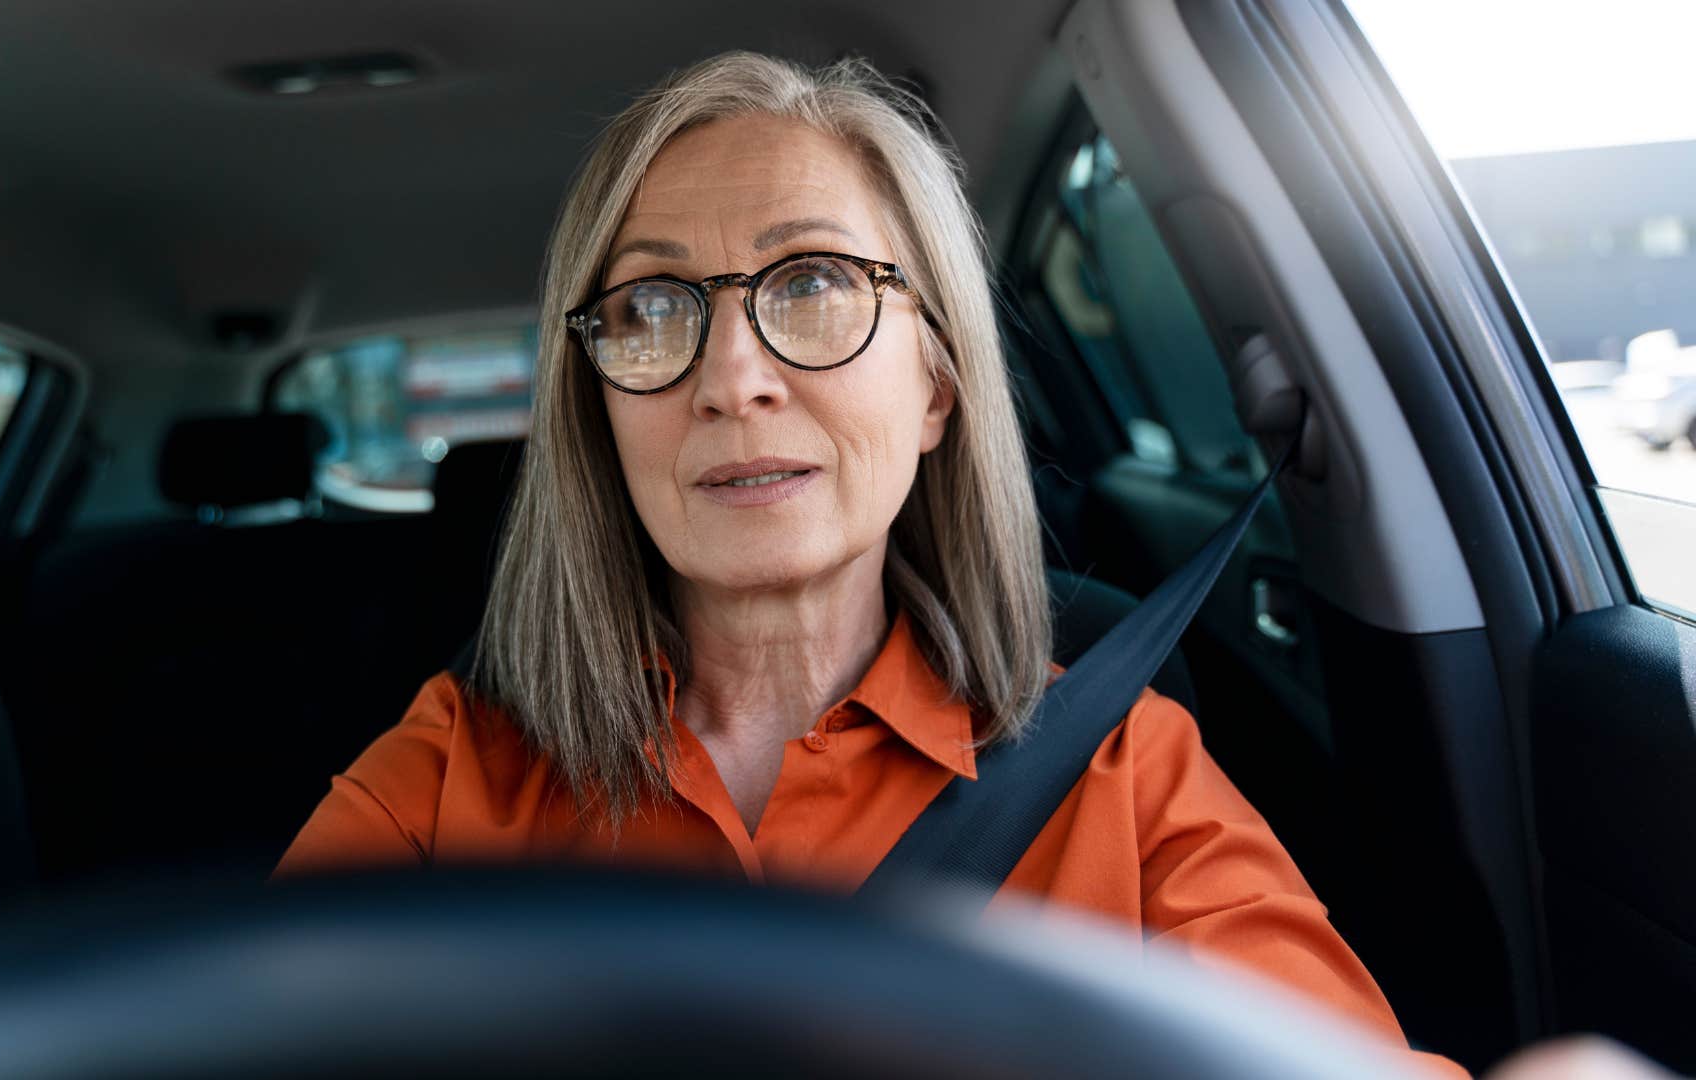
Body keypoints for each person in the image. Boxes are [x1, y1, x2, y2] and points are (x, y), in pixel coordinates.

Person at [278, 50, 1447, 1072]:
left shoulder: (1123, 775)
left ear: (937, 386)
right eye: (649, 309)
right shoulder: (445, 779)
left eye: (817, 285)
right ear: (599, 409)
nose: (733, 378)